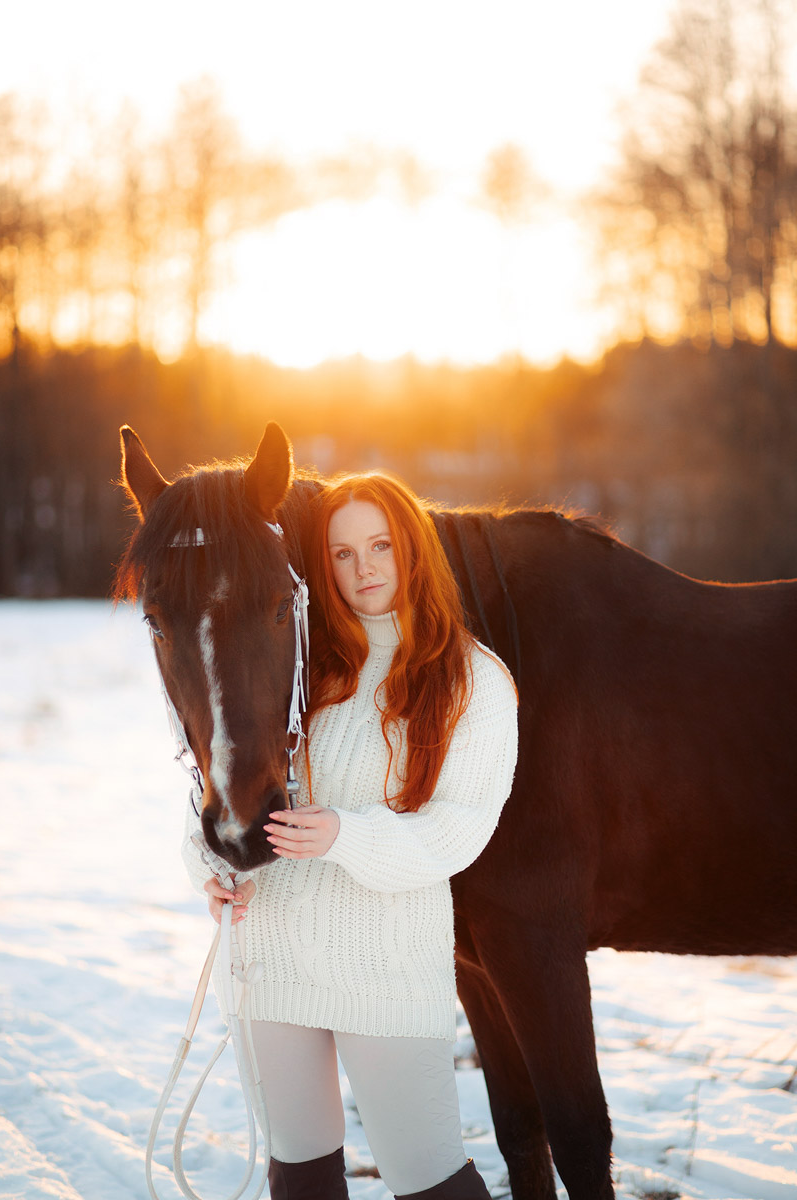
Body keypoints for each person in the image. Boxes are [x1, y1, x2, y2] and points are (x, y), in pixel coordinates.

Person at [182, 472, 519, 1200]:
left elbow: (460, 830)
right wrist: (209, 862)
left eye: (379, 546)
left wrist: (344, 836)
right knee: (300, 1177)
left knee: (430, 1180)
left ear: (413, 551)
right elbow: (225, 773)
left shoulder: (472, 681)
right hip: (271, 963)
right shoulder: (300, 666)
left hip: (385, 972)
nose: (362, 568)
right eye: (340, 553)